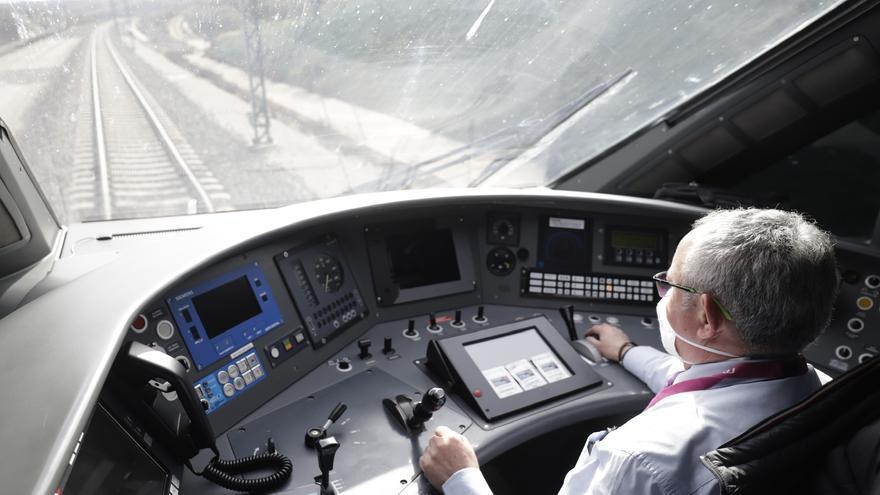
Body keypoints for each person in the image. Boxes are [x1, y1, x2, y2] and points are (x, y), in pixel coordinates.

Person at [420, 208, 839, 494]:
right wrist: (626, 352)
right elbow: (707, 388)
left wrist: (461, 477)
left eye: (671, 285)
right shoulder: (822, 390)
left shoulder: (639, 460)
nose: (663, 294)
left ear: (707, 318)